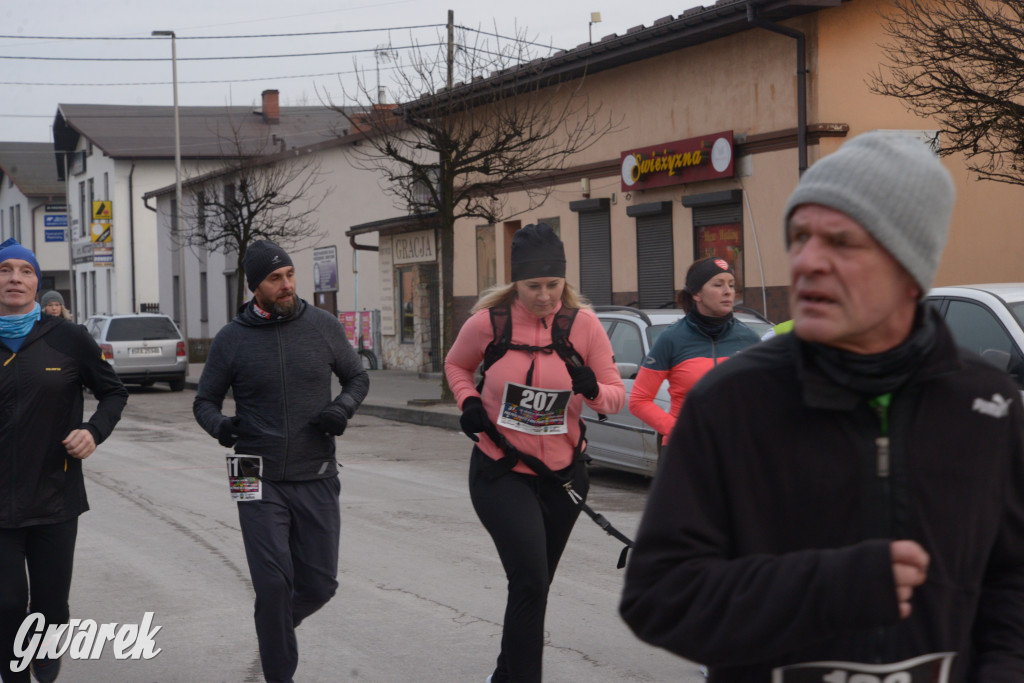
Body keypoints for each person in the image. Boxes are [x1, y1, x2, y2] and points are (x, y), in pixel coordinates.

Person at [620, 131, 1024, 681]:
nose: (808, 261)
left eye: (841, 242)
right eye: (801, 237)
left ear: (909, 266)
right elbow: (660, 596)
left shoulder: (986, 403)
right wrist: (833, 587)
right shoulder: (731, 404)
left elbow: (1011, 582)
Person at [445, 223, 625, 683]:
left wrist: (594, 389)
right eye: (533, 286)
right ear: (515, 282)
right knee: (528, 578)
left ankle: (506, 675)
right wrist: (467, 402)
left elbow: (615, 397)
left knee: (535, 586)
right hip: (501, 471)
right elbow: (457, 364)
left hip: (564, 476)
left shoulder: (582, 325)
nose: (545, 296)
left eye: (553, 284)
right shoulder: (489, 323)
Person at [193, 240, 369, 683]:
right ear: (256, 287)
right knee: (272, 585)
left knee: (318, 585)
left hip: (317, 471)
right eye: (275, 278)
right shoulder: (231, 340)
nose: (287, 284)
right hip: (253, 470)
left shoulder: (323, 326)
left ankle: (274, 630)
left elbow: (357, 376)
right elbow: (204, 402)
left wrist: (341, 409)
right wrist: (221, 427)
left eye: (290, 275)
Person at [0, 239, 128, 683]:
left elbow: (113, 392)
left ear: (38, 281)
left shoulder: (68, 338)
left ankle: (47, 667)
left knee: (51, 605)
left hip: (55, 497)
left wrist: (93, 432)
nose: (15, 278)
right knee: (7, 603)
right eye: (5, 270)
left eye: (25, 271)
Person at [628, 257, 760, 443]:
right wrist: (680, 431)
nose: (728, 291)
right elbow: (639, 400)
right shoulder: (672, 338)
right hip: (685, 453)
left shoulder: (749, 339)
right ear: (696, 294)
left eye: (731, 285)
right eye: (718, 285)